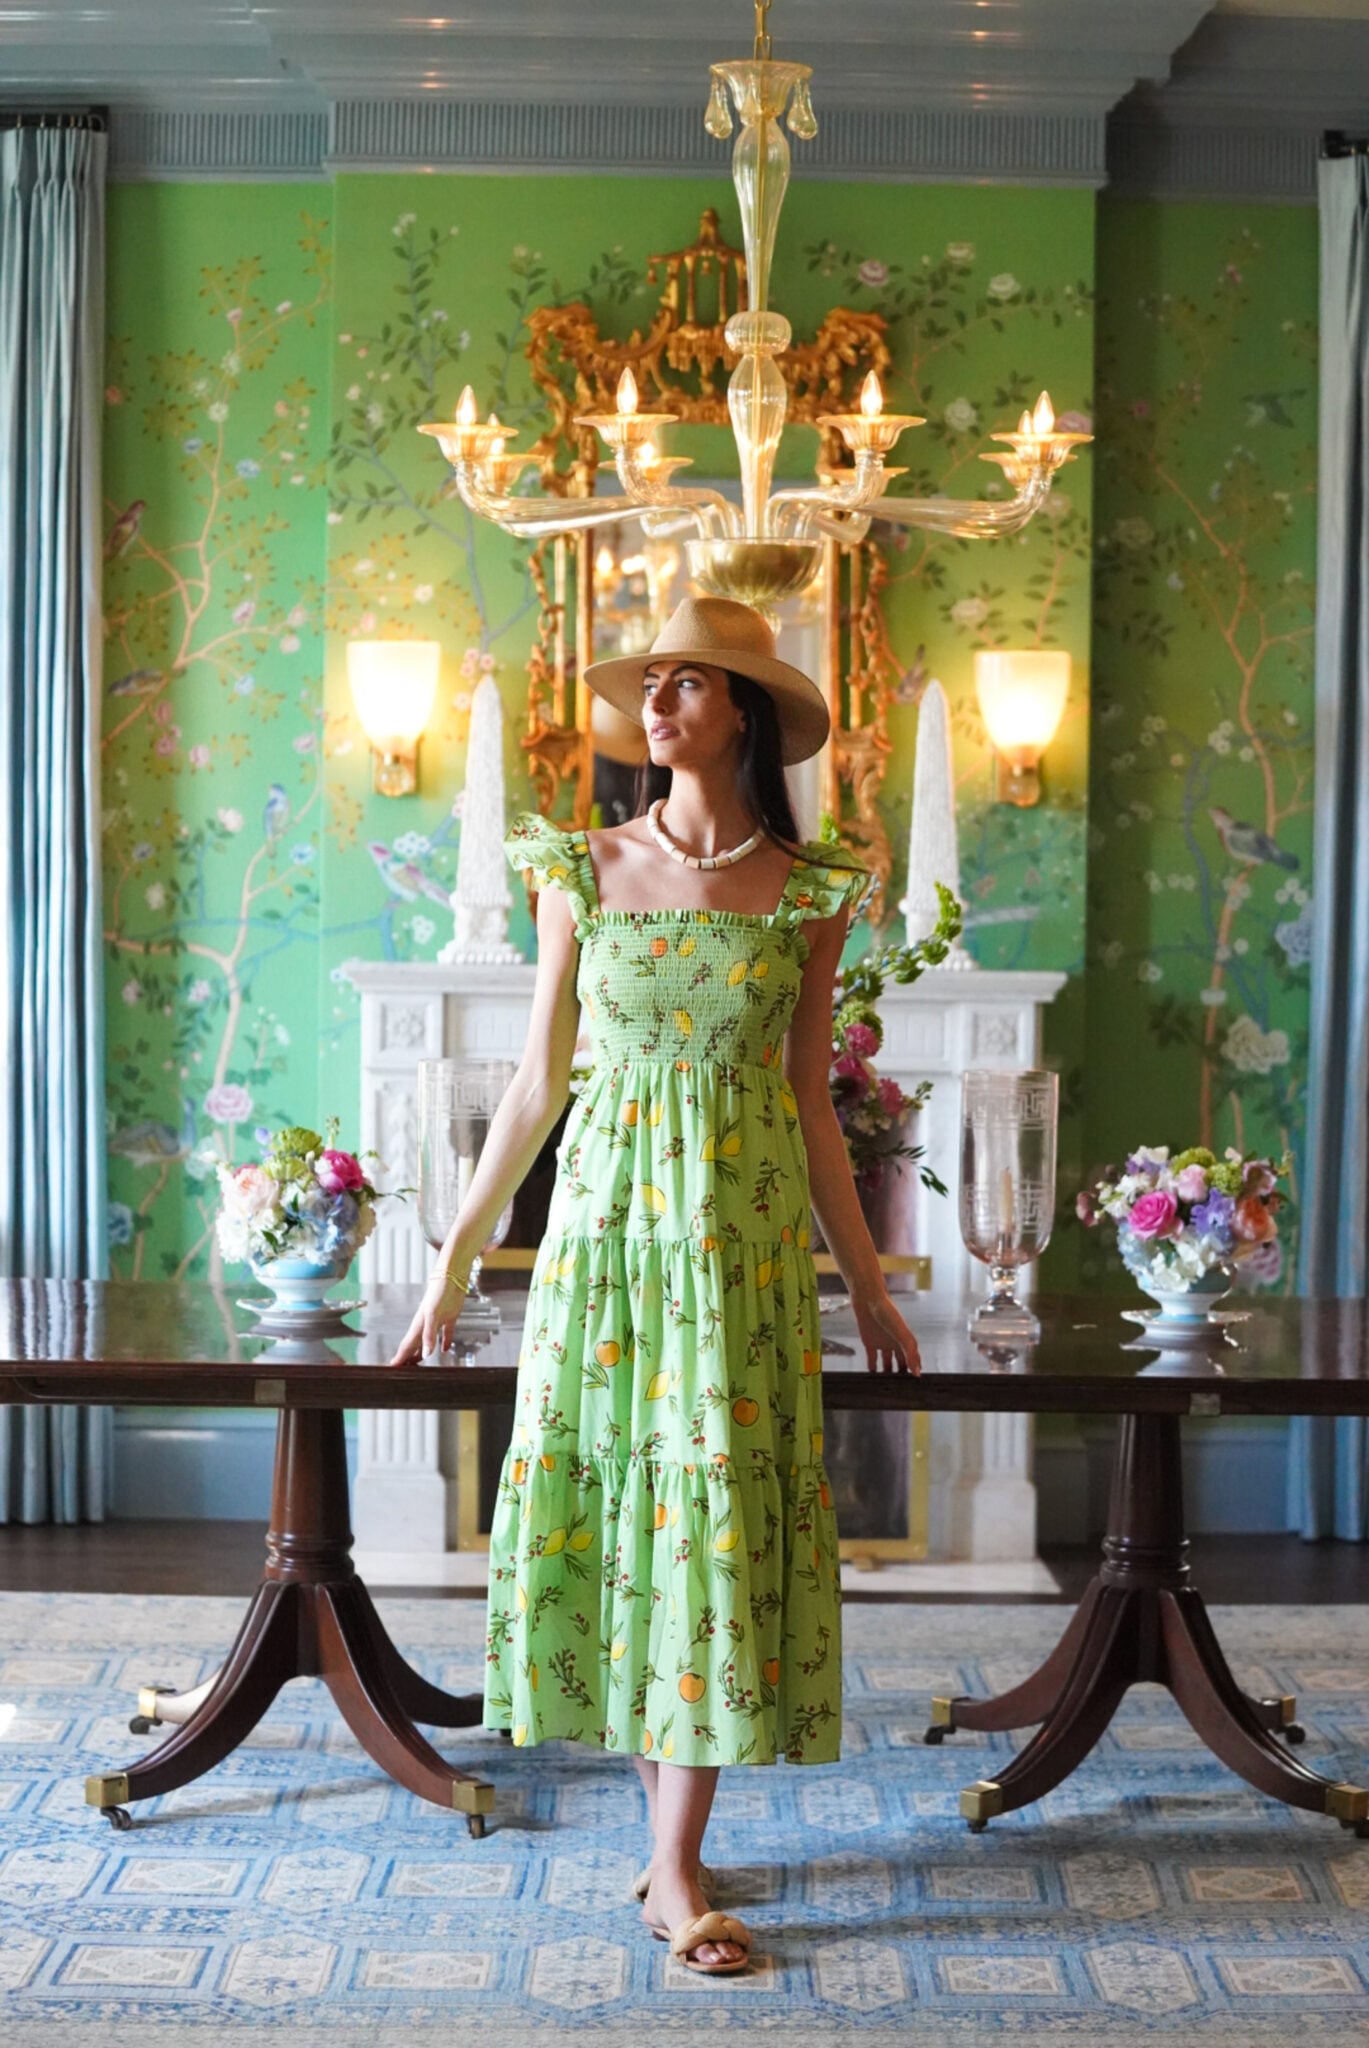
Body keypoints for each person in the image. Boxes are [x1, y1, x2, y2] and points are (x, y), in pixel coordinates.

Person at [392, 594, 920, 1976]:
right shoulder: (579, 866)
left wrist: (867, 1286)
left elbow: (810, 1105)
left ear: (744, 712)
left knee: (713, 1524)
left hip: (739, 1255)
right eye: (655, 683)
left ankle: (673, 1861)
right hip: (606, 1247)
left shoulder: (811, 891)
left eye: (691, 683)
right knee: (627, 1518)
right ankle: (670, 1855)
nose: (661, 702)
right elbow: (533, 1084)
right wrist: (452, 1257)